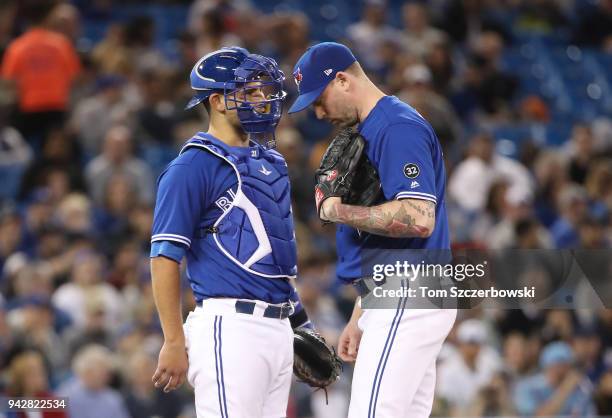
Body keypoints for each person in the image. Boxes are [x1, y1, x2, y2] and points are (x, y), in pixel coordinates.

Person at [288, 42, 457, 417]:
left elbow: (419, 217)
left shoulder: (395, 126)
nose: (318, 112)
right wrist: (361, 312)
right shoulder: (373, 128)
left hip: (407, 292)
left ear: (343, 80)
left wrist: (339, 211)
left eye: (319, 99)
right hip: (396, 292)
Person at [150, 46, 311, 418]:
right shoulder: (192, 166)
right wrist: (174, 340)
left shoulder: (271, 161)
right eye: (251, 92)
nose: (264, 99)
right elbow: (163, 257)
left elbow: (277, 258)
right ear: (220, 101)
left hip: (278, 326)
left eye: (265, 90)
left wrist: (302, 326)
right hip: (230, 328)